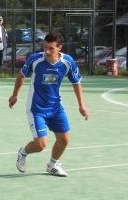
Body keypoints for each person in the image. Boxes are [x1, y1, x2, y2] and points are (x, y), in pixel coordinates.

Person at [8, 32, 90, 177]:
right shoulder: (35, 60)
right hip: (36, 108)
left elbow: (76, 83)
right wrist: (15, 94)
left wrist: (81, 105)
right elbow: (21, 75)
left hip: (56, 107)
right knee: (41, 144)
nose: (46, 51)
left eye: (51, 48)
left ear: (59, 48)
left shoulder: (67, 62)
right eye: (45, 47)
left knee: (64, 139)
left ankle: (52, 165)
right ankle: (23, 153)